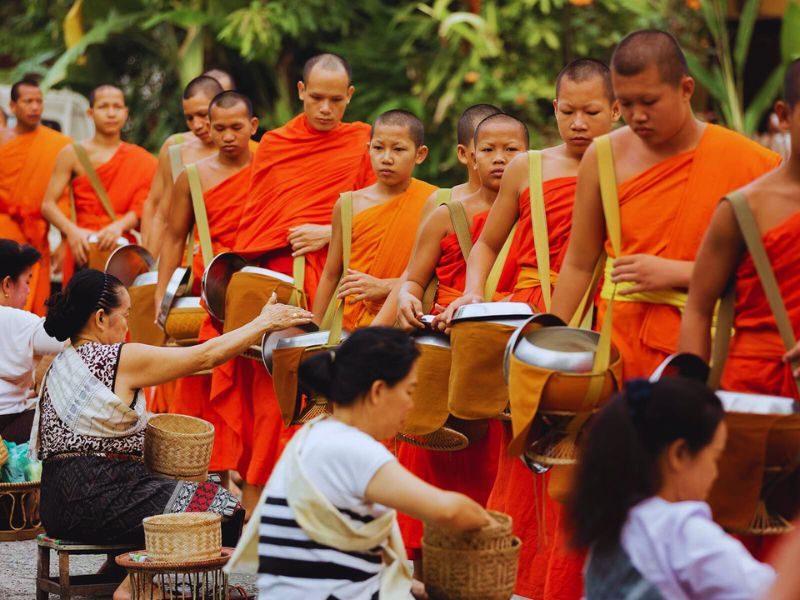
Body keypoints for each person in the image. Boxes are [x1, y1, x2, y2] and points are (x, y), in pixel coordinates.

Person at [549, 30, 780, 381]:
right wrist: (551, 346)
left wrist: (680, 273)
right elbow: (579, 263)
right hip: (620, 346)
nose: (637, 115)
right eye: (626, 104)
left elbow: (772, 272)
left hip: (714, 345)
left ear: (686, 89)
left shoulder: (750, 162)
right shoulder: (604, 156)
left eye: (649, 102)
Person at [33, 269, 312, 549]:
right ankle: (137, 584)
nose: (127, 327)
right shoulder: (118, 357)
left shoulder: (58, 364)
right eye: (126, 316)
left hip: (55, 507)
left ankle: (119, 572)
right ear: (101, 318)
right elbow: (205, 357)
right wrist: (262, 323)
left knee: (202, 485)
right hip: (98, 503)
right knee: (222, 504)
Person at [210, 53, 376, 514]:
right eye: (317, 98)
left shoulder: (365, 142)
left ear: (350, 97)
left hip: (342, 287)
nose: (326, 109)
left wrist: (329, 231)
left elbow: (388, 209)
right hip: (282, 290)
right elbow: (253, 228)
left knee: (335, 400)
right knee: (272, 408)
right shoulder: (278, 145)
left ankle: (329, 518)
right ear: (301, 91)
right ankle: (255, 525)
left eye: (336, 100)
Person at [227, 327, 491, 600]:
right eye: (409, 392)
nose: (411, 405)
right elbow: (449, 512)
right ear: (378, 392)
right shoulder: (352, 448)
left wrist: (408, 586)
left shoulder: (317, 433)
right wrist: (489, 523)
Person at [390, 112, 527, 580]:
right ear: (468, 154)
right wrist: (408, 300)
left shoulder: (538, 212)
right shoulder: (447, 215)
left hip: (502, 362)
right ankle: (426, 580)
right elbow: (412, 279)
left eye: (512, 150)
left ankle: (493, 579)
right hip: (441, 366)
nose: (501, 159)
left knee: (497, 484)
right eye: (490, 150)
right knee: (431, 477)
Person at [571, 377, 775, 599]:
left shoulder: (611, 522)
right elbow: (772, 592)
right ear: (679, 454)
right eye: (715, 457)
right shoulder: (681, 532)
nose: (716, 473)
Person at [680, 59, 800, 400]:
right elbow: (699, 308)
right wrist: (691, 403)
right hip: (756, 393)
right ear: (785, 115)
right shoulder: (745, 208)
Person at [155, 91, 258, 478]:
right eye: (219, 128)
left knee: (255, 405)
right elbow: (172, 236)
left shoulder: (271, 164)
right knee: (201, 399)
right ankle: (203, 491)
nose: (228, 136)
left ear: (253, 126)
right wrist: (162, 301)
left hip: (257, 295)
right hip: (209, 296)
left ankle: (249, 491)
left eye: (236, 127)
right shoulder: (193, 176)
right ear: (207, 130)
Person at [312, 109, 436, 330]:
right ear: (368, 149)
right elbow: (331, 274)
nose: (386, 158)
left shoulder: (435, 202)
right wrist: (314, 329)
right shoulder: (348, 204)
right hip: (348, 325)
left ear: (420, 154)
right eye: (378, 148)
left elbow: (435, 276)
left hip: (405, 324)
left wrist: (386, 286)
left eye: (398, 149)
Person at [40, 85, 157, 285]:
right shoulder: (72, 154)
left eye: (117, 107)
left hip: (121, 248)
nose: (111, 113)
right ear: (90, 112)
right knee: (80, 309)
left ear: (125, 112)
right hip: (82, 246)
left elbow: (145, 205)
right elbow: (48, 205)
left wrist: (119, 226)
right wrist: (72, 232)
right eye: (103, 107)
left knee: (122, 308)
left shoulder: (143, 159)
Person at [0, 78, 72, 315]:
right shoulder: (3, 142)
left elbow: (64, 196)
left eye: (39, 101)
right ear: (12, 106)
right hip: (5, 226)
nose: (34, 107)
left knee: (32, 301)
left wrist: (64, 239)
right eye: (28, 101)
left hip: (36, 232)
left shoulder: (59, 145)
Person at [140, 75, 224, 254]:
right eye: (189, 118)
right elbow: (161, 213)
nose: (197, 125)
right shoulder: (176, 149)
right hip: (183, 255)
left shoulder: (249, 151)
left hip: (228, 255)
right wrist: (149, 270)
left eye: (202, 115)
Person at [0, 240, 63, 443]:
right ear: (7, 284)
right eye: (27, 281)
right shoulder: (18, 320)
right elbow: (68, 339)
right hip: (7, 425)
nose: (29, 290)